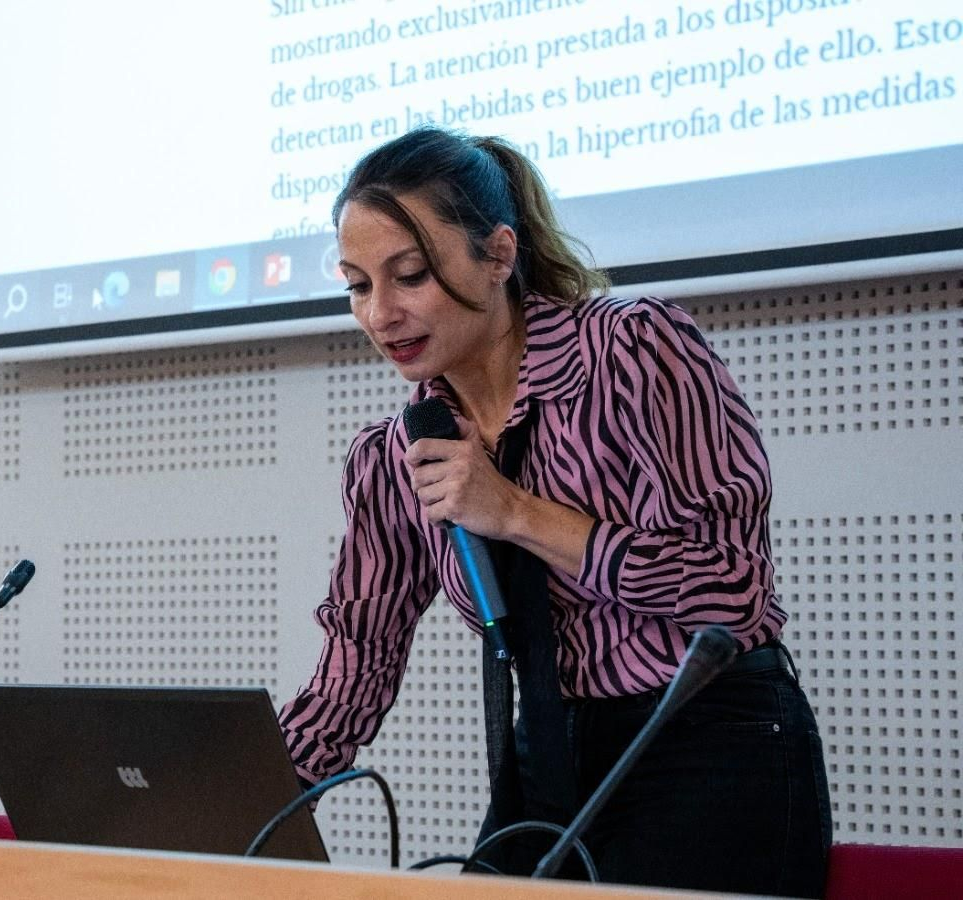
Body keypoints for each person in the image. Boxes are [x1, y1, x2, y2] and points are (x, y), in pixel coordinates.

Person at [277, 125, 831, 897]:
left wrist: (515, 511)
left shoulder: (636, 352)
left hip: (712, 744)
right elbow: (354, 670)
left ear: (500, 256)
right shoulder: (391, 459)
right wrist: (235, 796)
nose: (380, 314)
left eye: (409, 275)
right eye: (358, 285)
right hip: (548, 761)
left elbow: (733, 593)